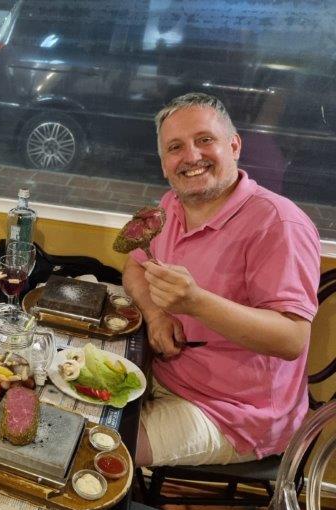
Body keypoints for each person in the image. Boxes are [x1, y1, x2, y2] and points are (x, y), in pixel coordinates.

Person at [123, 92, 320, 468]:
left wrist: (196, 302)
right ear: (164, 164)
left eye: (205, 140)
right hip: (162, 370)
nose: (191, 156)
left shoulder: (279, 223)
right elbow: (134, 267)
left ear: (234, 145)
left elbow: (291, 339)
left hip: (236, 411)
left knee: (100, 449)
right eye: (175, 147)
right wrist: (156, 315)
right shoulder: (170, 205)